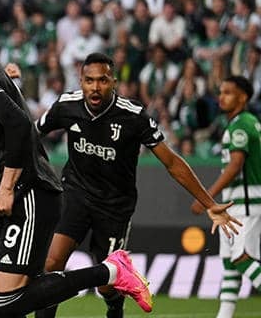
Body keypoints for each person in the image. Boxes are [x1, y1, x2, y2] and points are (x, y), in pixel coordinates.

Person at [0, 7, 152, 317]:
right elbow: (6, 146)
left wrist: (7, 187)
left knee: (8, 300)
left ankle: (112, 271)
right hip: (11, 195)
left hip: (29, 193)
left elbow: (20, 126)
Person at [31, 52, 239, 318]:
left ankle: (115, 305)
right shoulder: (66, 106)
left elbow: (172, 162)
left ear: (114, 82)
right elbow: (30, 134)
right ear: (81, 81)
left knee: (106, 286)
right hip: (76, 194)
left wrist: (209, 203)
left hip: (114, 206)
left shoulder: (133, 116)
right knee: (52, 263)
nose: (95, 87)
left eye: (103, 80)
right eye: (89, 80)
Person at [191, 76, 261, 318]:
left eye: (228, 92)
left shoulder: (242, 124)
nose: (221, 97)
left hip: (246, 203)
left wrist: (206, 197)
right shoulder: (240, 123)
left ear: (243, 97)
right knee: (230, 265)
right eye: (220, 92)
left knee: (242, 258)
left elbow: (235, 166)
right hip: (234, 205)